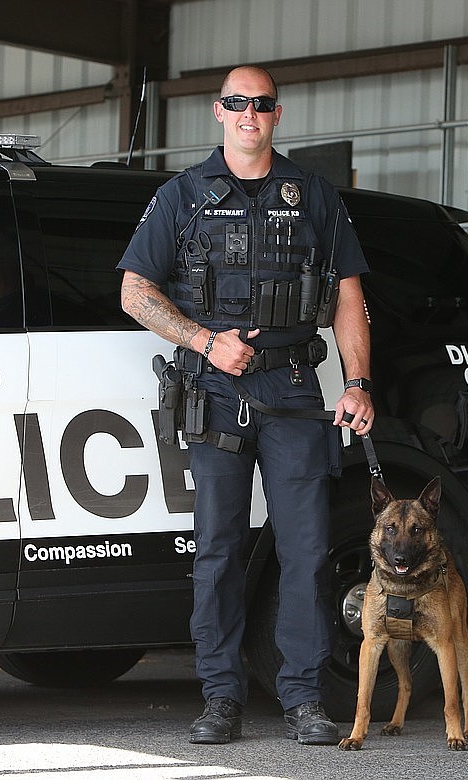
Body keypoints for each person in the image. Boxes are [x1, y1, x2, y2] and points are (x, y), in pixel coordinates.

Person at [118, 65, 373, 746]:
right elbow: (135, 292)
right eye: (238, 103)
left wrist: (358, 383)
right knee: (219, 550)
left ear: (276, 114)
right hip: (216, 390)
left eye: (261, 104)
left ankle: (304, 698)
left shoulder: (313, 195)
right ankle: (220, 697)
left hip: (293, 389)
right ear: (218, 110)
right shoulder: (181, 195)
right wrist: (205, 341)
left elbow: (350, 296)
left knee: (307, 551)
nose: (249, 114)